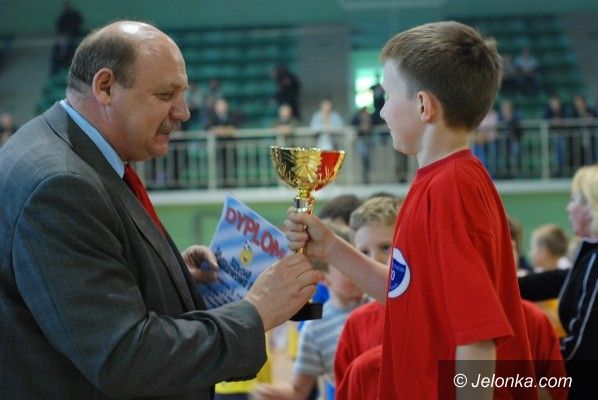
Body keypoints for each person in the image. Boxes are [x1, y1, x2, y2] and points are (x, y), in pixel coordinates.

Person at [0, 21, 320, 400]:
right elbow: (124, 359)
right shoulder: (62, 186)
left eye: (183, 94)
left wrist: (164, 275)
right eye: (166, 94)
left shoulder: (54, 147)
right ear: (105, 87)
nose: (183, 112)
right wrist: (257, 310)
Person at [285, 21, 536, 399]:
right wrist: (333, 248)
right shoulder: (438, 182)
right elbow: (407, 295)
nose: (382, 112)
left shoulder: (452, 188)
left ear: (423, 105)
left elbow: (478, 338)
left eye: (387, 96)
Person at [251, 223, 366, 400]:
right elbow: (299, 390)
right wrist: (270, 393)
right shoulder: (315, 329)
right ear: (323, 278)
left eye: (360, 261)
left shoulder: (381, 306)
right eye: (345, 266)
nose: (357, 270)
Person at [519, 165, 598, 398]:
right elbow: (561, 280)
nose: (568, 208)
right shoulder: (590, 256)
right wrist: (507, 286)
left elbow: (581, 347)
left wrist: (532, 363)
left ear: (591, 207)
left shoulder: (595, 260)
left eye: (574, 200)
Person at [334, 196, 401, 400]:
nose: (375, 260)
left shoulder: (431, 313)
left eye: (385, 247)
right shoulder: (356, 324)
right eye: (364, 252)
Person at [351, 107, 374, 183]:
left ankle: (367, 176)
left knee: (367, 159)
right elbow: (353, 124)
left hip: (368, 140)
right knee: (363, 158)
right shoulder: (357, 119)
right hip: (361, 141)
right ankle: (363, 176)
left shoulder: (369, 119)